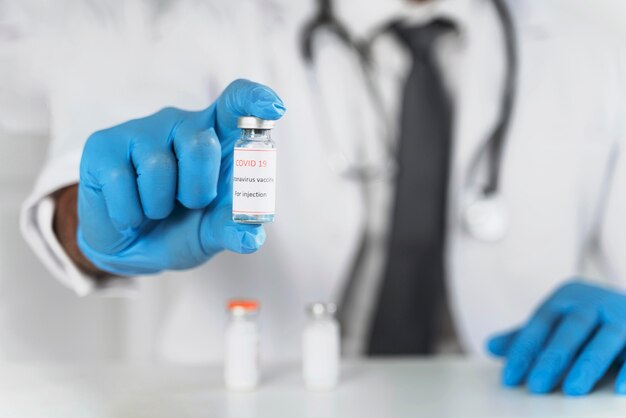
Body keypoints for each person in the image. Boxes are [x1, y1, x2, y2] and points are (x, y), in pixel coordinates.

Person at [5, 0, 626, 396]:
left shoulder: (594, 55)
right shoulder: (209, 27)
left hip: (502, 393)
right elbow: (93, 168)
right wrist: (96, 220)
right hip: (251, 398)